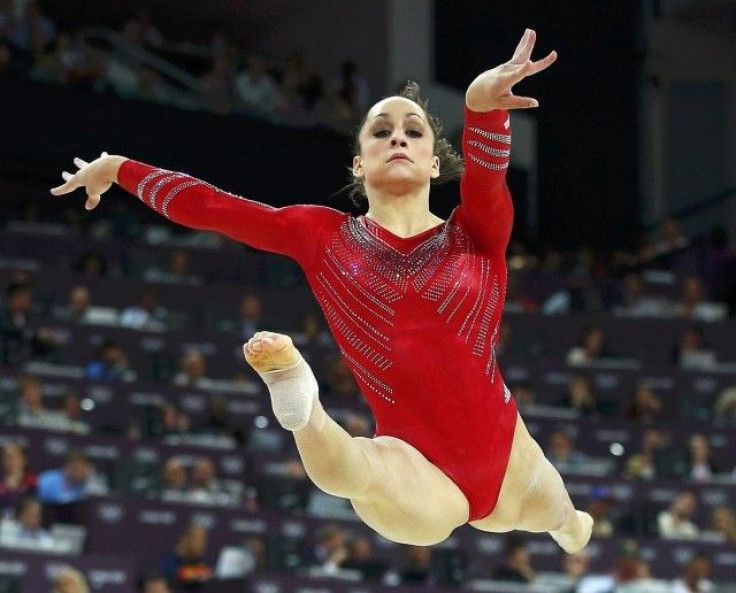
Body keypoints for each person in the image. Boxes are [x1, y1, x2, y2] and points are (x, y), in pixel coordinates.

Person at [51, 29, 592, 552]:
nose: (397, 137)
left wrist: (482, 104)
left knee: (564, 519)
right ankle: (296, 396)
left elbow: (488, 178)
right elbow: (216, 208)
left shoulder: (475, 231)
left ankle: (574, 530)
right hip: (412, 462)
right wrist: (120, 169)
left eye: (413, 130)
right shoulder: (323, 235)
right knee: (357, 473)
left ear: (433, 160)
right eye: (380, 131)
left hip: (508, 457)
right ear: (359, 164)